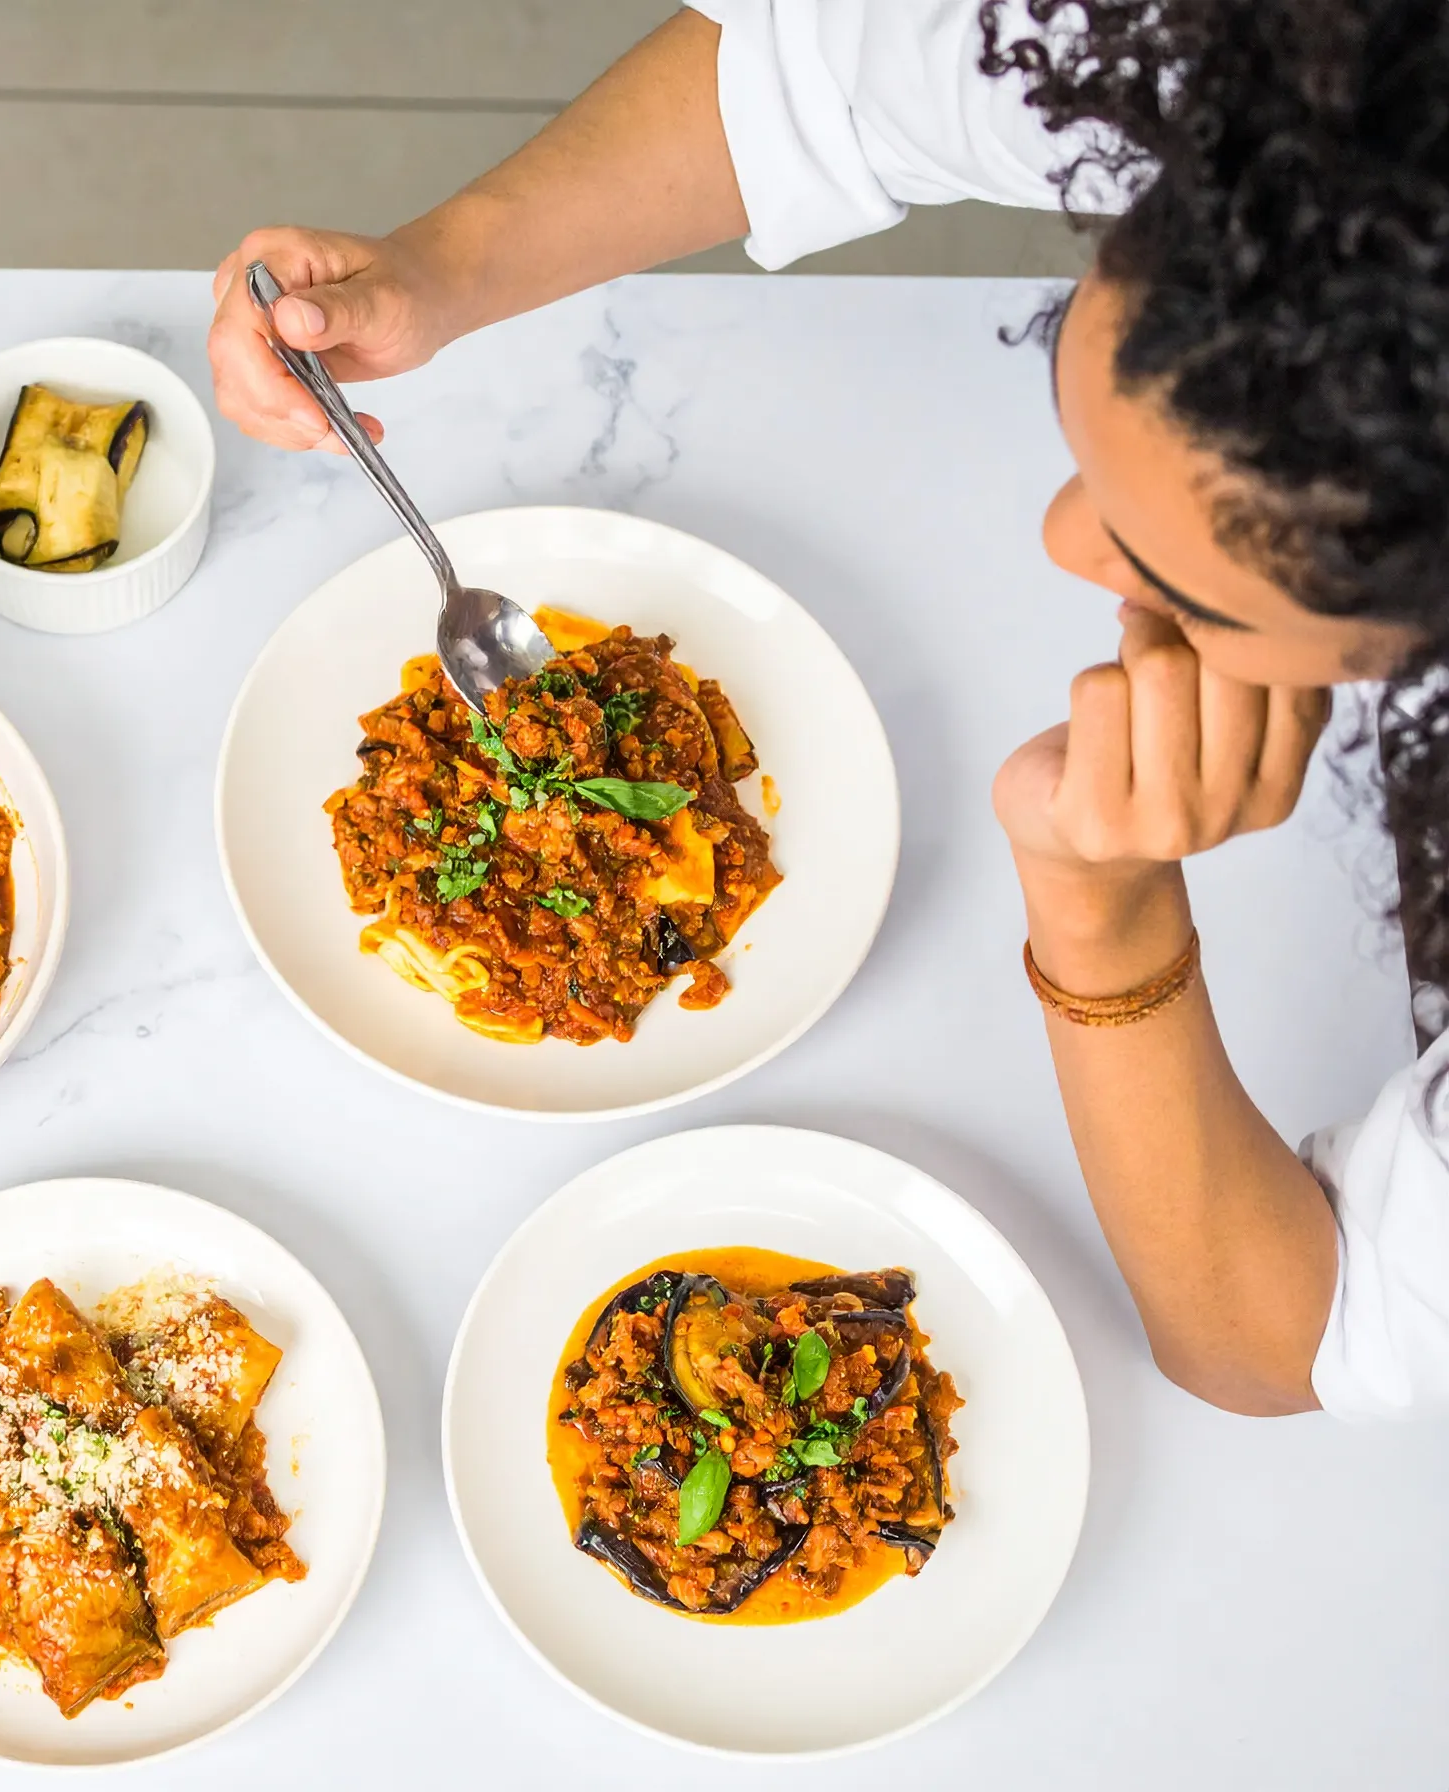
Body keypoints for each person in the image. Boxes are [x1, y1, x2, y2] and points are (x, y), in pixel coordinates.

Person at [207, 0, 1449, 1421]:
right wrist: (437, 271)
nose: (1060, 539)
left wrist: (1103, 902)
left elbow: (1283, 1330)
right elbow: (810, 74)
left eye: (1176, 568)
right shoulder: (1321, 89)